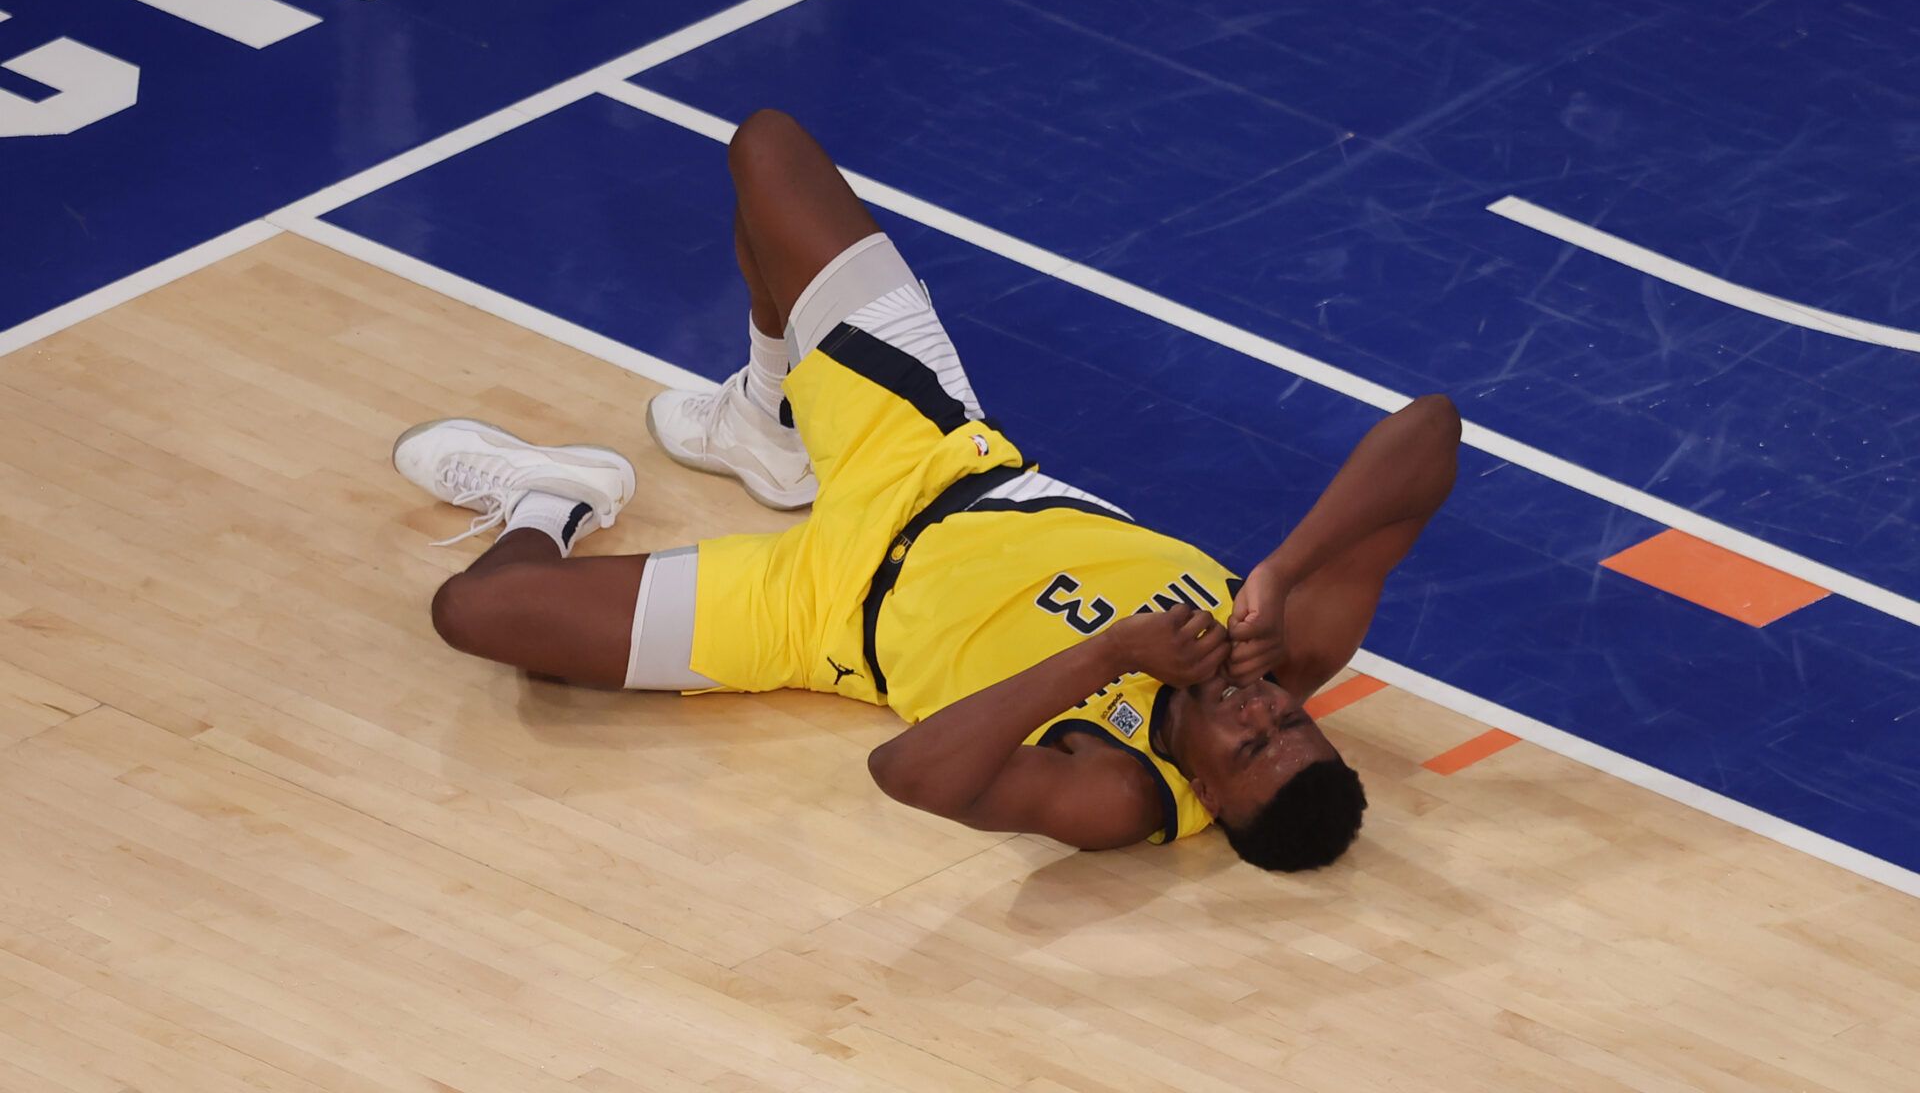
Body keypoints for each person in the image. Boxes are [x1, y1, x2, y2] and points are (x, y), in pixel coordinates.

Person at [395, 110, 1460, 871]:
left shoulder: (1118, 790)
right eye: (1295, 723)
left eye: (1252, 747)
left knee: (474, 614)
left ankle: (555, 495)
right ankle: (767, 425)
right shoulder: (1275, 644)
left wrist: (1111, 653)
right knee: (769, 152)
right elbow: (1430, 433)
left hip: (824, 610)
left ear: (1215, 803)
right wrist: (1277, 570)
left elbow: (910, 771)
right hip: (942, 460)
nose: (1264, 712)